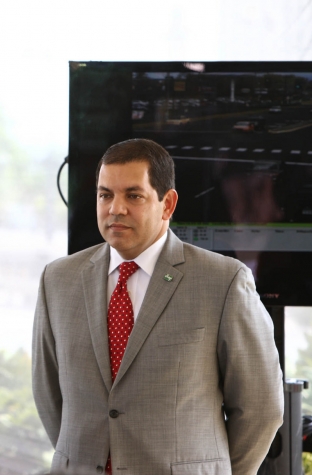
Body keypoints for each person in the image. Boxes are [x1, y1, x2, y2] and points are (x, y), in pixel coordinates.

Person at [31, 138, 283, 475]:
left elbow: (261, 408)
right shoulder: (57, 280)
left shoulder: (223, 281)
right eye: (105, 195)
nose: (115, 209)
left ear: (167, 204)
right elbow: (48, 395)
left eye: (133, 196)